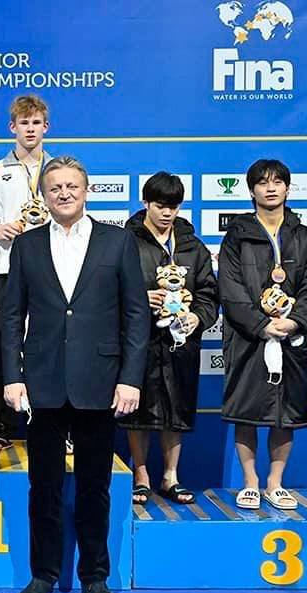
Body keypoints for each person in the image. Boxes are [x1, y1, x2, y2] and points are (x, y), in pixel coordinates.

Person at [1, 156, 148, 593]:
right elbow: (11, 318)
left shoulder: (117, 241)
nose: (63, 194)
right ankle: (43, 575)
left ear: (86, 191)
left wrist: (130, 379)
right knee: (43, 487)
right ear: (43, 196)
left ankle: (95, 577)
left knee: (94, 487)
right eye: (55, 188)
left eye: (71, 186)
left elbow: (136, 315)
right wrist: (12, 377)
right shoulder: (26, 245)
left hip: (99, 382)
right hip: (42, 383)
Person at [219, 159, 307, 510]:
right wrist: (259, 323)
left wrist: (294, 321)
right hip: (248, 336)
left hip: (291, 337)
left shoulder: (305, 237)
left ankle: (275, 483)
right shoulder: (237, 235)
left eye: (278, 182)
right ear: (251, 190)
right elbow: (229, 287)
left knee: (286, 413)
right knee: (247, 411)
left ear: (287, 188)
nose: (271, 188)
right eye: (263, 182)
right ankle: (250, 482)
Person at [119, 172, 218, 506]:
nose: (166, 213)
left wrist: (197, 318)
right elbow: (109, 289)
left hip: (181, 341)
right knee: (136, 409)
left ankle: (171, 476)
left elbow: (208, 294)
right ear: (145, 202)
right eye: (160, 205)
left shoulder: (193, 246)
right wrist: (140, 298)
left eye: (173, 206)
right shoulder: (125, 242)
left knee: (177, 407)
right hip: (138, 339)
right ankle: (141, 475)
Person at [0, 94, 52, 455]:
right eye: (24, 123)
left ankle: (54, 429)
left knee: (51, 349)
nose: (30, 129)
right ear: (12, 127)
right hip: (6, 271)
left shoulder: (60, 173)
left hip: (52, 274)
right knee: (1, 351)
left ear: (46, 127)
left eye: (36, 123)